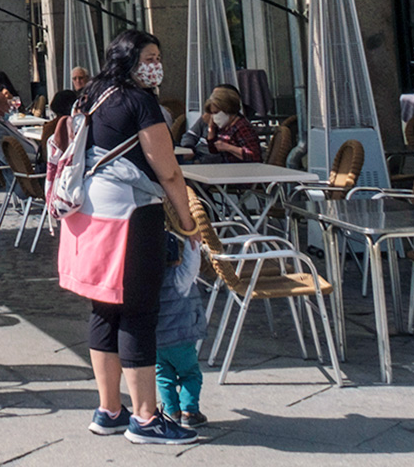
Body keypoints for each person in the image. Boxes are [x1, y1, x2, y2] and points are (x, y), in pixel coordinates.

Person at [51, 29, 198, 446]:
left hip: (89, 214)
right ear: (129, 60)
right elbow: (167, 170)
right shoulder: (140, 101)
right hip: (132, 215)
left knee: (104, 309)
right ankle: (147, 418)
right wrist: (189, 226)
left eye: (158, 56)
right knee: (137, 311)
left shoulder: (94, 93)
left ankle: (109, 409)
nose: (155, 65)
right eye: (148, 57)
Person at [153, 225, 207, 429]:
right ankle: (190, 411)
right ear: (176, 258)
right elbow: (193, 261)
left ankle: (171, 411)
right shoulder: (181, 277)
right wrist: (192, 239)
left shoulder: (148, 281)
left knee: (163, 375)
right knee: (190, 374)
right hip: (182, 340)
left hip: (157, 341)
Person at [182, 86, 261, 163]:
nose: (213, 117)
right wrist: (211, 129)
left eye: (216, 112)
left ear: (227, 109)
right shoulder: (225, 126)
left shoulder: (242, 127)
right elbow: (213, 150)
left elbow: (254, 155)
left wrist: (228, 147)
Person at [0, 90, 42, 173]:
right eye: (6, 104)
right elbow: (7, 157)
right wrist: (39, 159)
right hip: (26, 172)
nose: (9, 107)